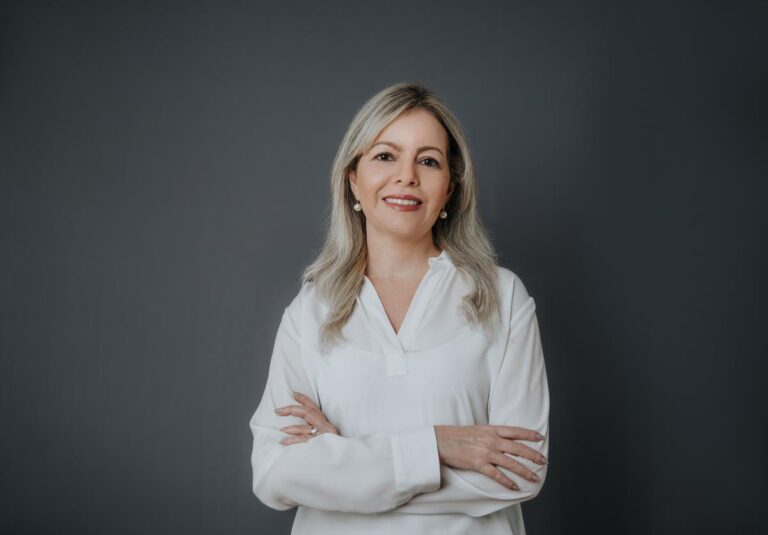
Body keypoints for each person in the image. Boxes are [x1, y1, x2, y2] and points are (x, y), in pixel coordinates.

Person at [249, 82, 550, 534]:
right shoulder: (310, 310)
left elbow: (521, 471)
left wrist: (344, 463)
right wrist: (437, 445)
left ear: (450, 190)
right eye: (386, 155)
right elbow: (274, 473)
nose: (407, 176)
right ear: (353, 178)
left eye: (428, 161)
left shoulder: (503, 297)